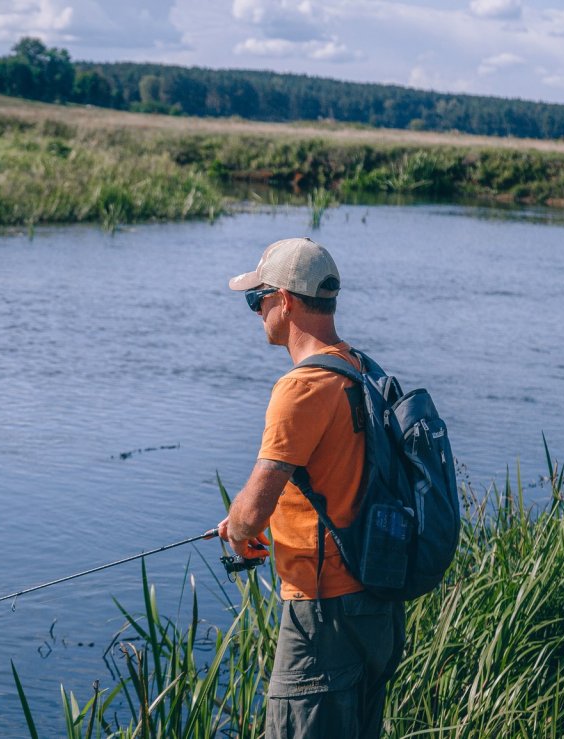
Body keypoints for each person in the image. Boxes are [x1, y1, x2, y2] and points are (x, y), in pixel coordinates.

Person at [218, 237, 405, 739]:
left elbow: (251, 513)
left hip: (322, 613)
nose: (256, 311)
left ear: (285, 300)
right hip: (377, 605)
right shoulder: (360, 369)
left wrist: (237, 530)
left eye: (256, 299)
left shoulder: (300, 388)